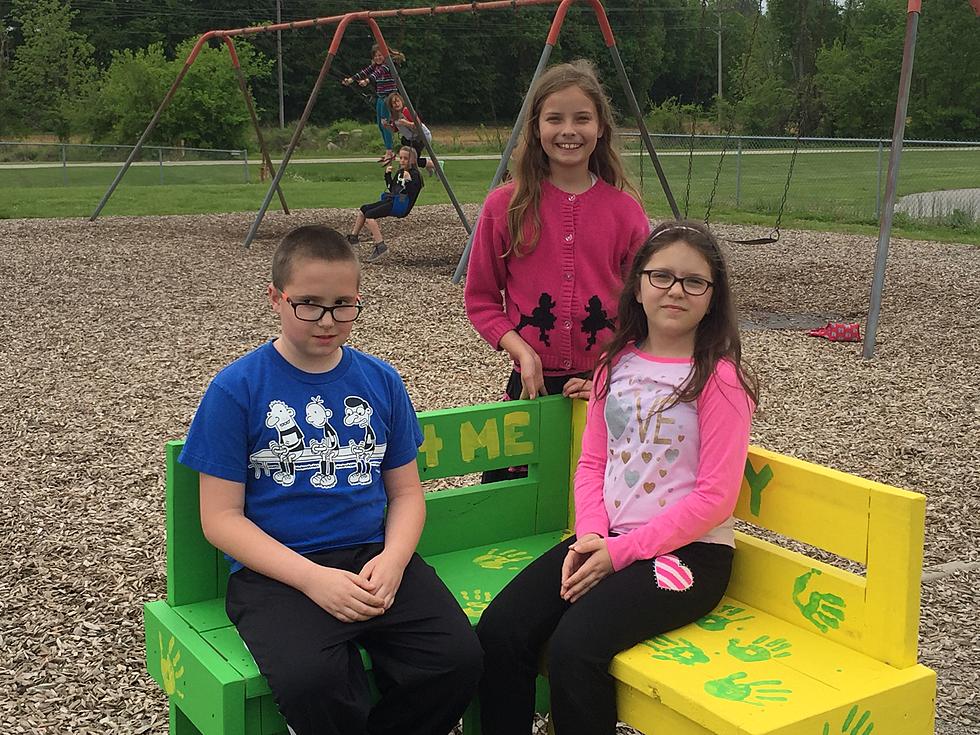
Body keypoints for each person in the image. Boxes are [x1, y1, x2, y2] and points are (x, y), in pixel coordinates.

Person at [178, 225, 482, 735]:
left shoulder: (380, 380)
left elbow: (406, 493)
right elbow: (221, 519)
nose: (327, 320)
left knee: (456, 660)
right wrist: (313, 579)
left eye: (343, 304)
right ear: (276, 298)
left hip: (371, 557)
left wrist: (393, 559)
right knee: (312, 680)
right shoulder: (237, 389)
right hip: (277, 571)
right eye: (309, 304)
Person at [475, 219, 758, 735]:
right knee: (501, 630)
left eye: (694, 281)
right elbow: (593, 465)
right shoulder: (615, 363)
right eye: (662, 276)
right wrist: (591, 537)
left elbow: (716, 498)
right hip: (605, 539)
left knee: (574, 649)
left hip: (689, 556)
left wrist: (616, 554)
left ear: (713, 297)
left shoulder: (718, 377)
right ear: (638, 285)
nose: (676, 290)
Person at [463, 60, 650, 481]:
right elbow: (480, 300)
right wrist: (521, 351)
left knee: (600, 499)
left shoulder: (626, 212)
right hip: (530, 384)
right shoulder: (504, 207)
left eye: (582, 118)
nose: (569, 130)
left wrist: (611, 367)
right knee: (512, 500)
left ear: (600, 127)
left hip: (608, 386)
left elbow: (646, 309)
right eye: (555, 118)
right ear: (536, 127)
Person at [347, 146, 423, 263]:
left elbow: (413, 192)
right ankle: (353, 238)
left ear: (412, 160)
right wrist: (387, 175)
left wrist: (409, 181)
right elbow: (391, 188)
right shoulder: (400, 172)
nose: (402, 160)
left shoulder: (415, 175)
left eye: (405, 158)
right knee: (363, 210)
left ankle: (380, 246)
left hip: (401, 205)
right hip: (392, 200)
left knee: (370, 216)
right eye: (401, 157)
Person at [342, 45, 406, 164]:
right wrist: (350, 80)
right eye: (375, 56)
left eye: (380, 55)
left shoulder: (388, 65)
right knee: (380, 125)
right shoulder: (375, 66)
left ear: (385, 55)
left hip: (389, 97)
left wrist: (366, 81)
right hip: (381, 97)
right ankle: (388, 150)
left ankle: (389, 151)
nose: (378, 58)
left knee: (385, 124)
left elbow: (375, 75)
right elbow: (364, 72)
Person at [385, 92, 436, 174]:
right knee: (407, 158)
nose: (396, 104)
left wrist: (406, 123)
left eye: (398, 101)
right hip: (410, 138)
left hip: (421, 137)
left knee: (410, 159)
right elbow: (395, 130)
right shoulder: (393, 116)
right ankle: (430, 165)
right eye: (393, 103)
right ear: (391, 106)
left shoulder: (406, 111)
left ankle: (433, 165)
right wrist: (387, 126)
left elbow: (418, 124)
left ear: (401, 101)